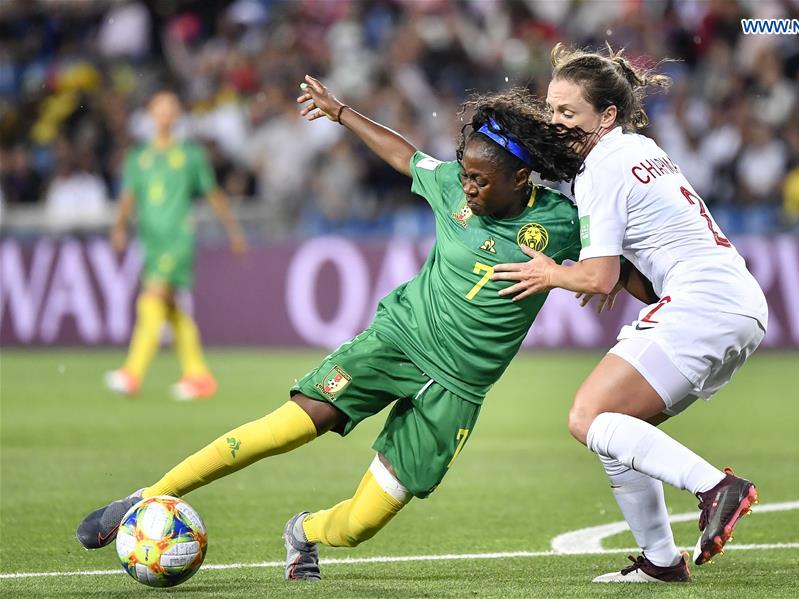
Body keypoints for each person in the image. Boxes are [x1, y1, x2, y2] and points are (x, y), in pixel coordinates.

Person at [76, 80, 593, 582]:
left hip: (457, 391)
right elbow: (403, 155)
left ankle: (303, 533)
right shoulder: (451, 189)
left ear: (522, 178)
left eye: (480, 180)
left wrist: (591, 278)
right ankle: (147, 495)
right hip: (398, 342)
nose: (468, 186)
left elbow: (620, 263)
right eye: (465, 175)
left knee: (358, 526)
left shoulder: (562, 221)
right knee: (286, 427)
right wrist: (342, 112)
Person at [491, 44, 769, 583]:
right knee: (617, 427)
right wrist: (611, 273)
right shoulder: (637, 149)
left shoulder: (603, 166)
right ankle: (661, 561)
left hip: (703, 300)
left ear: (608, 115)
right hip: (732, 300)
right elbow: (626, 271)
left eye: (568, 113)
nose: (555, 123)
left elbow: (595, 276)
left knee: (587, 417)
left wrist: (552, 272)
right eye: (551, 110)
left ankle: (718, 487)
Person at [104, 91, 247, 401]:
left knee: (152, 297)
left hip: (178, 240)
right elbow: (129, 198)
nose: (165, 114)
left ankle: (132, 373)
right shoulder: (138, 157)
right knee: (169, 307)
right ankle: (198, 376)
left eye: (171, 108)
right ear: (150, 114)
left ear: (178, 115)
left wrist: (233, 230)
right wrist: (118, 229)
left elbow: (212, 194)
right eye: (160, 109)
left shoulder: (190, 155)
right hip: (151, 243)